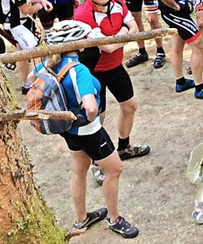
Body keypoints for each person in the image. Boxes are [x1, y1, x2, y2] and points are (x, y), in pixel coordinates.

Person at [32, 21, 139, 239]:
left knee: (79, 169)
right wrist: (88, 118)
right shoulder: (79, 70)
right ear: (78, 44)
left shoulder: (49, 62)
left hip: (68, 130)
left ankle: (81, 219)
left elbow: (29, 80)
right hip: (88, 130)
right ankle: (115, 219)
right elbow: (90, 106)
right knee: (114, 169)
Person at [74, 0, 151, 176]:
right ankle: (97, 164)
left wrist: (120, 36)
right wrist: (124, 34)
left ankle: (124, 147)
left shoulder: (117, 0)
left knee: (130, 106)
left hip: (115, 66)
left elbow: (133, 25)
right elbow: (106, 47)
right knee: (97, 118)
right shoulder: (82, 15)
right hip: (93, 71)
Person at [0, 0, 53, 94]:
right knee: (37, 54)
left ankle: (26, 85)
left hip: (23, 23)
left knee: (22, 54)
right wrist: (41, 6)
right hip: (17, 25)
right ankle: (38, 87)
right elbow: (26, 9)